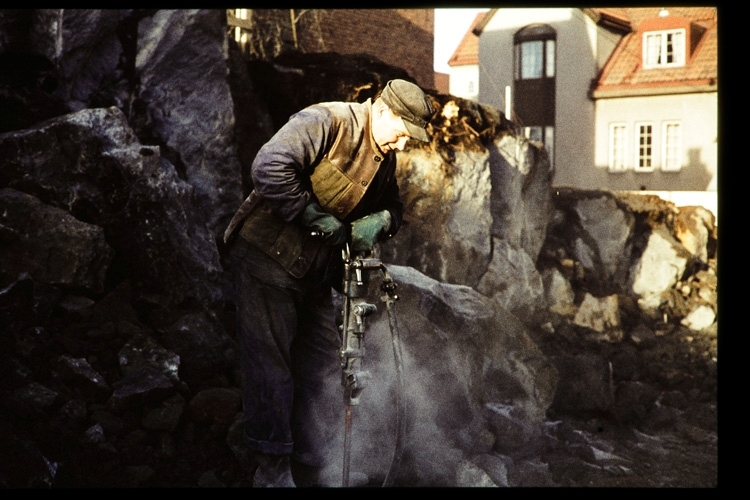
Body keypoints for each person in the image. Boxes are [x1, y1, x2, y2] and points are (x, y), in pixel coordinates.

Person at [223, 79, 433, 487]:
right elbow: (268, 167)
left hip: (314, 275)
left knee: (321, 367)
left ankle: (313, 460)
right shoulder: (328, 121)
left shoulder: (383, 155)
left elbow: (394, 205)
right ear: (384, 112)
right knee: (272, 368)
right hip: (267, 258)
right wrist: (313, 216)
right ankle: (272, 471)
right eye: (403, 134)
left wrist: (384, 220)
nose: (403, 145)